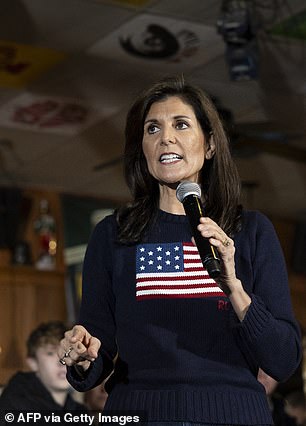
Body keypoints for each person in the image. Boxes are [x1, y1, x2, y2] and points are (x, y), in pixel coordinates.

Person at [58, 75, 302, 425]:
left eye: (181, 124)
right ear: (142, 147)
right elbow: (97, 347)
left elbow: (283, 359)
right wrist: (83, 356)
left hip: (233, 415)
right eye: (152, 128)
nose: (165, 137)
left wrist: (234, 286)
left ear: (210, 144)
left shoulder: (251, 231)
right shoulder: (113, 234)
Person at [0, 321, 87, 416]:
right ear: (33, 363)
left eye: (67, 352)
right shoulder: (13, 407)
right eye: (50, 353)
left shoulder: (81, 413)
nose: (62, 361)